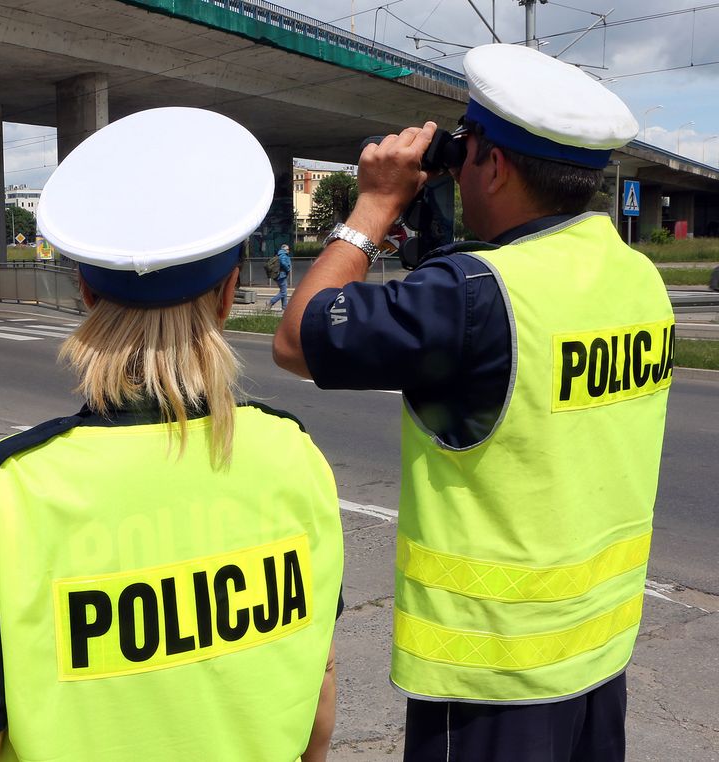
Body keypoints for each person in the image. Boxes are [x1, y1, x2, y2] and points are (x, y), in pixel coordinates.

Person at [272, 43, 674, 762]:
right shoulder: (636, 276)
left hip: (494, 680)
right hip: (598, 657)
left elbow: (298, 337)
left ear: (490, 161)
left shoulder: (475, 293)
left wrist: (373, 206)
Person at [0, 107, 345, 762]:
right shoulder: (293, 455)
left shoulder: (6, 493)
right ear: (230, 294)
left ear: (86, 293)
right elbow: (318, 702)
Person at [266, 242, 292, 311]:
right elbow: (283, 263)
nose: (289, 250)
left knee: (284, 291)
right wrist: (288, 268)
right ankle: (271, 302)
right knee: (283, 292)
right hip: (281, 275)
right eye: (288, 249)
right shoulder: (283, 255)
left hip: (280, 275)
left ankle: (284, 307)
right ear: (285, 249)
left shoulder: (279, 254)